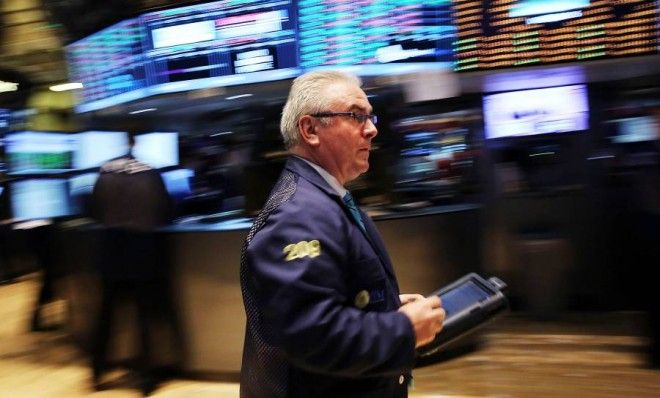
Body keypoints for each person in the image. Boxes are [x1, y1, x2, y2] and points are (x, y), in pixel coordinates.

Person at [240, 70, 446, 398]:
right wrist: (403, 329)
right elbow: (312, 337)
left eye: (370, 116)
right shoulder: (297, 216)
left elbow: (329, 292)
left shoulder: (324, 197)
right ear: (310, 129)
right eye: (355, 116)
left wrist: (383, 304)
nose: (372, 129)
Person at [90, 133, 176, 396]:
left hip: (111, 250)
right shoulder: (150, 172)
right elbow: (165, 211)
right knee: (144, 315)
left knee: (107, 315)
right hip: (142, 251)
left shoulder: (104, 171)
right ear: (136, 143)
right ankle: (146, 379)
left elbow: (93, 209)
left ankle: (97, 372)